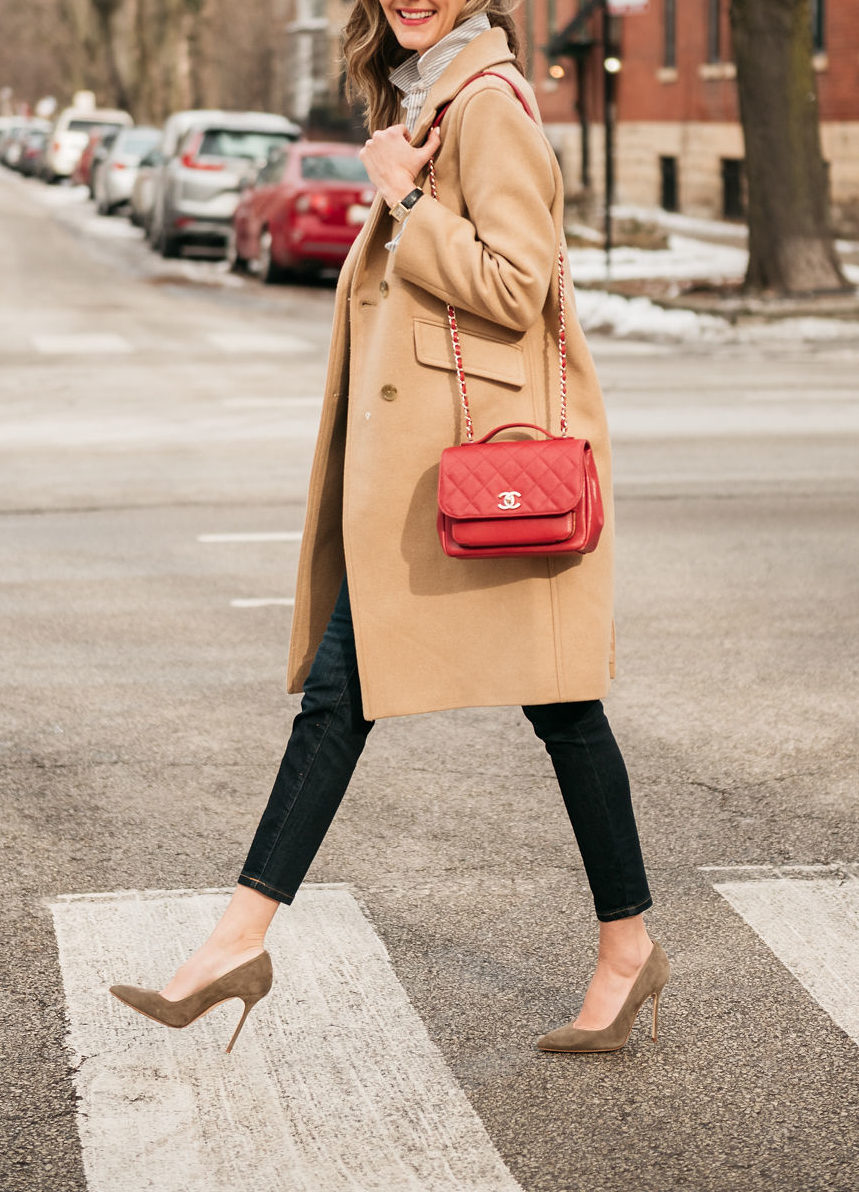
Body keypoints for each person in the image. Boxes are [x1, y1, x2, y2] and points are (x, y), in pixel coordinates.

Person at [110, 0, 669, 1056]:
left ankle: (242, 938)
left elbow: (517, 283)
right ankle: (620, 945)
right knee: (453, 704)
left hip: (475, 477)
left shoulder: (487, 105)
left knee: (530, 707)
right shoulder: (426, 100)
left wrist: (408, 195)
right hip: (430, 484)